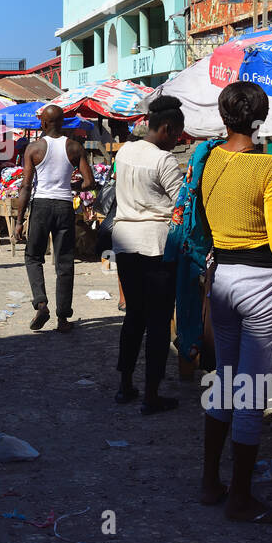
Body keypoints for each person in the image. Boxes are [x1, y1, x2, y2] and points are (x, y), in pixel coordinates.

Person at [199, 82, 272, 524]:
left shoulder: (209, 158)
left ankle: (211, 482)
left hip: (223, 279)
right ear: (260, 119)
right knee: (250, 391)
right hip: (261, 285)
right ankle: (241, 499)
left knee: (225, 379)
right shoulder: (270, 167)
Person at [111, 97, 186, 414]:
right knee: (157, 322)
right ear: (167, 129)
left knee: (134, 316)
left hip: (125, 242)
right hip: (156, 246)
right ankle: (152, 394)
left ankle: (125, 385)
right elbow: (182, 203)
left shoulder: (126, 150)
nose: (178, 141)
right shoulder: (164, 161)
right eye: (178, 134)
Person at [14, 104, 95, 332]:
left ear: (43, 123)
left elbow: (26, 186)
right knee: (65, 262)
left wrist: (20, 221)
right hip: (64, 206)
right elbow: (90, 183)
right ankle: (63, 318)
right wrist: (72, 185)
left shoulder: (34, 149)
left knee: (33, 257)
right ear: (63, 123)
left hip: (41, 206)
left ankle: (41, 303)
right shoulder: (75, 147)